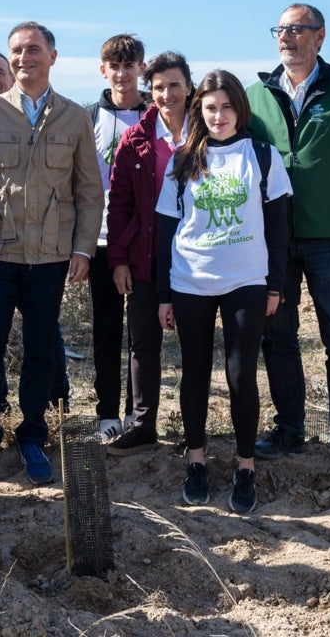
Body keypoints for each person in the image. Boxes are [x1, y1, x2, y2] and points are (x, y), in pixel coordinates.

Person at [0, 21, 103, 486]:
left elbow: (88, 190)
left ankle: (33, 436)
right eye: (16, 51)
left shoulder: (75, 117)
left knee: (42, 350)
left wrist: (82, 248)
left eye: (33, 50)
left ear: (53, 57)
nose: (24, 59)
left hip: (50, 258)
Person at [246, 3, 330, 483]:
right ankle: (289, 429)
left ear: (320, 37)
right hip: (273, 241)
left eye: (298, 29)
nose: (287, 37)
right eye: (280, 30)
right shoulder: (254, 95)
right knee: (277, 338)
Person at [155, 70, 291, 511]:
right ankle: (196, 460)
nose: (219, 116)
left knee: (240, 375)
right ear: (199, 111)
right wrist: (164, 294)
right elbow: (165, 232)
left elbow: (279, 228)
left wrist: (275, 286)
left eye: (227, 106)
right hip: (190, 280)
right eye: (210, 108)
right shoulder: (182, 160)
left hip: (247, 281)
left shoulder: (263, 157)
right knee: (193, 373)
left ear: (239, 109)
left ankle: (245, 465)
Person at [0, 49, 77, 410]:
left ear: (11, 77)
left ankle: (54, 402)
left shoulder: (55, 116)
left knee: (43, 333)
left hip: (42, 251)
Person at [104, 51, 192, 456]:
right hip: (145, 254)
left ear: (188, 86)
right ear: (149, 91)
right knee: (143, 344)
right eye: (158, 87)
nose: (167, 93)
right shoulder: (135, 138)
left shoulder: (209, 134)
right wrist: (118, 259)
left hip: (198, 256)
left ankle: (196, 427)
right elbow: (118, 203)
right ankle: (143, 425)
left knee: (195, 342)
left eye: (174, 85)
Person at [88, 34, 150, 441]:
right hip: (101, 240)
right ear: (103, 69)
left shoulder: (158, 113)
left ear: (141, 68)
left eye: (130, 65)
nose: (123, 73)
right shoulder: (88, 116)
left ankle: (138, 415)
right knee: (106, 329)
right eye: (115, 65)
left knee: (142, 335)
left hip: (145, 240)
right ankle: (107, 412)